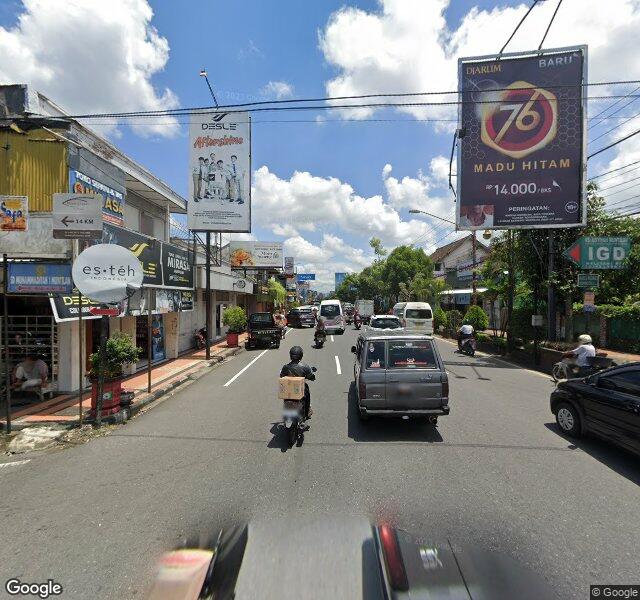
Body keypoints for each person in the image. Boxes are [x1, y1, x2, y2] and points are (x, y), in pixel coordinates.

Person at [280, 346, 315, 423]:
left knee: (286, 397)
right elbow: (311, 376)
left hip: (288, 389)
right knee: (307, 394)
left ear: (290, 355)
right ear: (301, 355)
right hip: (300, 388)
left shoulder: (285, 367)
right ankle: (307, 411)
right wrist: (312, 377)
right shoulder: (304, 366)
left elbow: (281, 376)